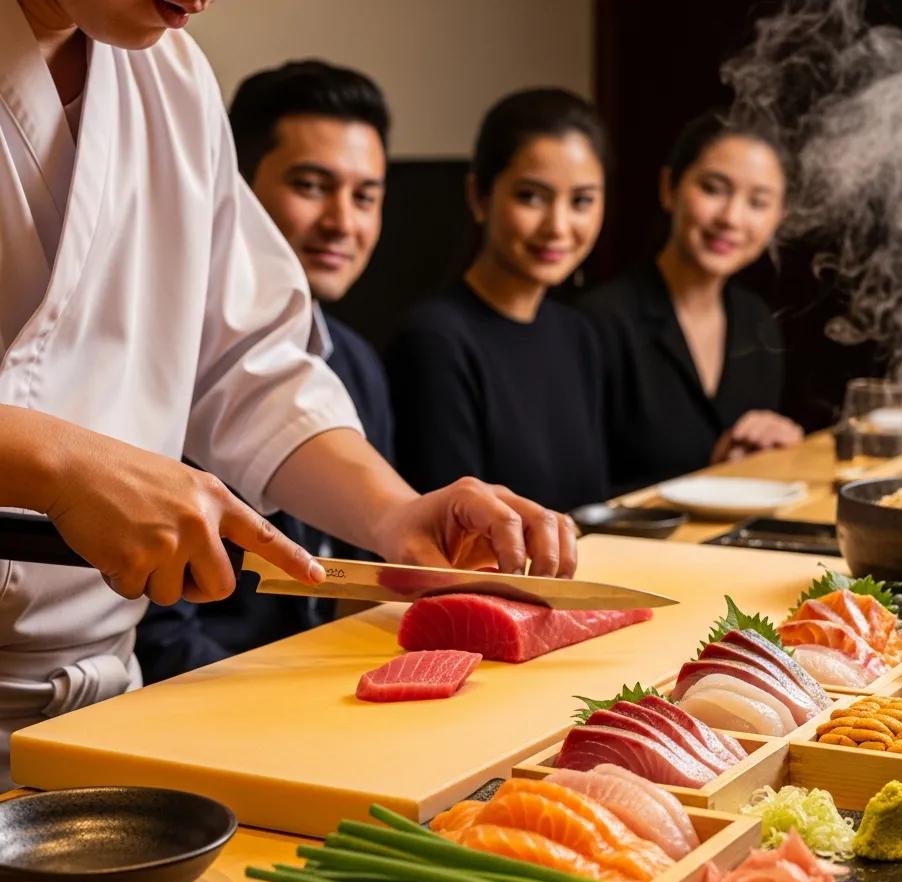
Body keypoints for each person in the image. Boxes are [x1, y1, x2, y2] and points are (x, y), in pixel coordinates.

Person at [0, 0, 575, 787]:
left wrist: (392, 513)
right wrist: (60, 466)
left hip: (100, 703)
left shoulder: (171, 77)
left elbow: (247, 359)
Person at [136, 60, 396, 682]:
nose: (343, 222)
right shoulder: (163, 363)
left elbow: (366, 581)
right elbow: (159, 633)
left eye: (365, 197)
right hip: (196, 694)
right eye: (311, 186)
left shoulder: (358, 361)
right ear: (237, 198)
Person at [385, 88, 609, 513]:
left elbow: (591, 506)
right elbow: (452, 533)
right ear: (479, 197)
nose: (558, 226)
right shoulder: (435, 340)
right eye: (531, 197)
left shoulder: (578, 333)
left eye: (581, 201)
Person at [581, 112, 804, 495]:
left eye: (758, 202)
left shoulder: (757, 320)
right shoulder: (598, 321)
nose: (731, 217)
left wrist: (779, 448)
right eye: (714, 189)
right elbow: (578, 490)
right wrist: (709, 476)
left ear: (778, 217)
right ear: (670, 188)